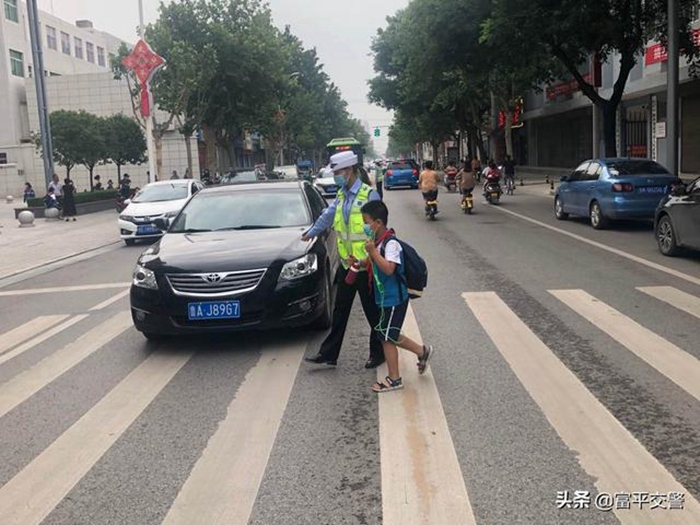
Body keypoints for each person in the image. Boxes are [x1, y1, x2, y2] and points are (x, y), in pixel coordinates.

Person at [302, 150, 385, 369]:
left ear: (350, 171)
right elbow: (327, 216)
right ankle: (328, 353)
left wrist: (370, 257)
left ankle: (378, 353)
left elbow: (379, 229)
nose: (337, 176)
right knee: (340, 311)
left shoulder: (368, 195)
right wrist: (311, 232)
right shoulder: (341, 195)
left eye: (339, 172)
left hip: (365, 267)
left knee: (372, 313)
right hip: (347, 265)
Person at [361, 200, 434, 392]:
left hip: (394, 298)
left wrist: (372, 252)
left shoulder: (390, 243)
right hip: (385, 297)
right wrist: (361, 261)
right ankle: (422, 351)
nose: (364, 226)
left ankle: (394, 379)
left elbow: (388, 269)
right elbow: (372, 261)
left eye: (366, 222)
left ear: (378, 222)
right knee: (388, 333)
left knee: (386, 337)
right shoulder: (378, 241)